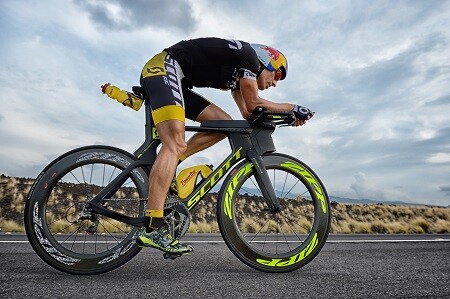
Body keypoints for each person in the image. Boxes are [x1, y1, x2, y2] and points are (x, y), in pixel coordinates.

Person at [135, 37, 314, 254]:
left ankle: (170, 167)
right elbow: (255, 103)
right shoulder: (248, 56)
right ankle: (153, 228)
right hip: (164, 68)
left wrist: (285, 115)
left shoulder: (238, 78)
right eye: (277, 74)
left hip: (175, 77)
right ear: (266, 60)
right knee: (174, 144)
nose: (275, 83)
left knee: (223, 124)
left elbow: (249, 112)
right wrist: (291, 107)